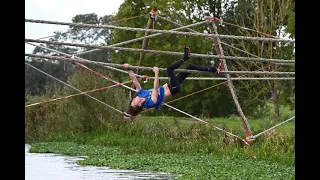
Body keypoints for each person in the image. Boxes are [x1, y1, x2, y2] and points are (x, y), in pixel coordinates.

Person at [122, 46, 222, 117]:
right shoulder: (150, 103)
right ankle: (185, 58)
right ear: (138, 104)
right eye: (133, 102)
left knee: (190, 67)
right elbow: (156, 88)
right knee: (170, 69)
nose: (134, 99)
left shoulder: (140, 94)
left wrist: (129, 69)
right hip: (173, 88)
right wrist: (156, 72)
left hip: (169, 85)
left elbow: (135, 81)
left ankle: (214, 70)